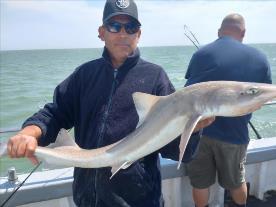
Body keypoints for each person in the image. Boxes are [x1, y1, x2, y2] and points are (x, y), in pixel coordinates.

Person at [7, 1, 213, 206]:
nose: (123, 34)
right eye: (115, 26)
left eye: (130, 27)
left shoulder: (155, 77)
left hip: (139, 200)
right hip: (87, 199)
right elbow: (55, 113)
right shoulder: (84, 75)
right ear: (101, 32)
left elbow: (176, 152)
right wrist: (28, 133)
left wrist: (192, 128)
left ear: (138, 35)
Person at [184, 13, 272, 207]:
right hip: (235, 134)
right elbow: (262, 98)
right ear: (244, 33)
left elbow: (190, 91)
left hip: (199, 131)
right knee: (236, 181)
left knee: (200, 183)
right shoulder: (260, 58)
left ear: (219, 32)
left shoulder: (201, 54)